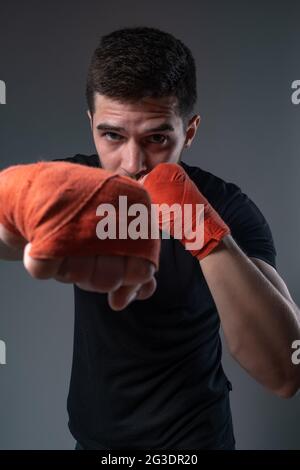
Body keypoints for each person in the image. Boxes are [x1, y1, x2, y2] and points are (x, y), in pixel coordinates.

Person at [0, 26, 299, 451]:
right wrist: (18, 205)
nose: (133, 163)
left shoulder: (228, 207)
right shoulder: (79, 189)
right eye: (112, 135)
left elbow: (285, 370)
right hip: (94, 446)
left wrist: (203, 230)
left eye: (157, 138)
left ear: (189, 131)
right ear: (91, 125)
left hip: (195, 447)